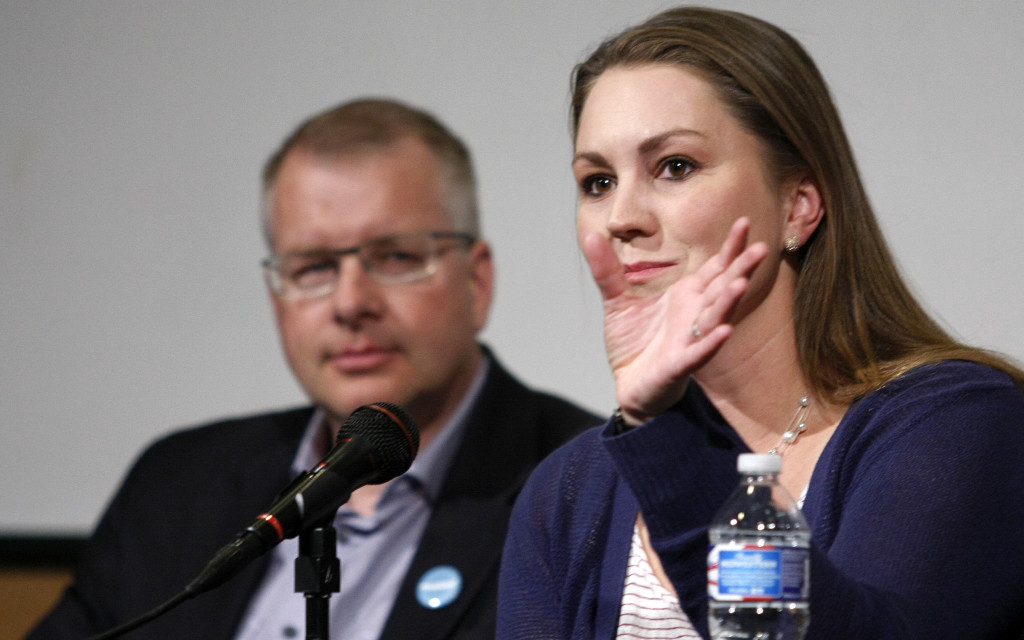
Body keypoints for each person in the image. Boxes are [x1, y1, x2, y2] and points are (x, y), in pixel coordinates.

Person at [497, 7, 1024, 640]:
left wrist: (665, 434)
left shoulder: (956, 426)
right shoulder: (568, 492)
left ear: (798, 205)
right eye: (598, 181)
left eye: (675, 166)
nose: (621, 217)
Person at [29, 98, 599, 640]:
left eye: (396, 257)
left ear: (476, 283)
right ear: (278, 296)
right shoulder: (175, 486)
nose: (351, 303)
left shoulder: (587, 490)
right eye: (313, 268)